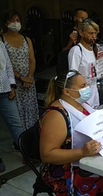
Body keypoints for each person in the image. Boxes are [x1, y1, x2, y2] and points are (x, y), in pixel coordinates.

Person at [40, 70, 103, 195]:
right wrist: (82, 152)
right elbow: (47, 155)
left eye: (86, 84)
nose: (87, 88)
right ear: (67, 92)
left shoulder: (82, 104)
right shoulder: (56, 116)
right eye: (83, 86)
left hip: (89, 163)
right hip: (67, 171)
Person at [2, 10, 39, 129]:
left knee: (31, 112)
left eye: (17, 20)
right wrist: (20, 78)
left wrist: (29, 77)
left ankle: (31, 138)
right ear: (6, 22)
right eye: (12, 20)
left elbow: (32, 60)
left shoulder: (26, 39)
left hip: (28, 83)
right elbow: (4, 65)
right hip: (13, 84)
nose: (15, 23)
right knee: (17, 116)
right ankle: (20, 141)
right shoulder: (1, 40)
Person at [0, 40, 25, 173]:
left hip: (4, 89)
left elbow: (8, 65)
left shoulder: (0, 43)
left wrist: (12, 85)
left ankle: (26, 153)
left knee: (16, 123)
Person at [68, 19, 100, 109]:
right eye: (90, 33)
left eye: (95, 33)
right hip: (83, 94)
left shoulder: (94, 49)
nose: (93, 36)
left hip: (94, 93)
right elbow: (72, 75)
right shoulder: (77, 51)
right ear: (81, 33)